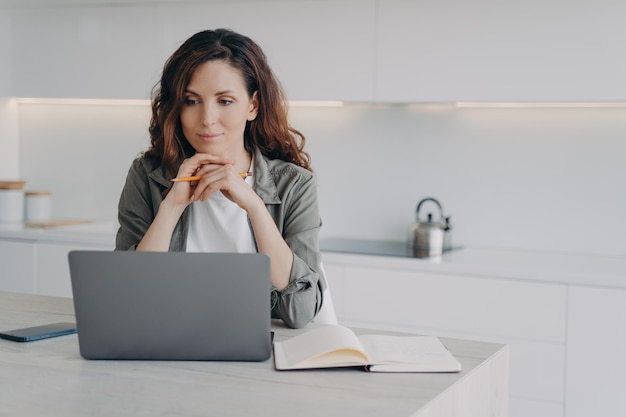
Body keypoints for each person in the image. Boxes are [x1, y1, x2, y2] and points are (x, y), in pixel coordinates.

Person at [115, 28, 326, 329]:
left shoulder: (294, 184)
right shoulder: (147, 176)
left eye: (225, 101)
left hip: (258, 358)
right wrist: (172, 206)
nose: (207, 118)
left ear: (252, 106)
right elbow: (126, 298)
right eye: (191, 101)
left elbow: (301, 312)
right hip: (166, 344)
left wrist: (254, 206)